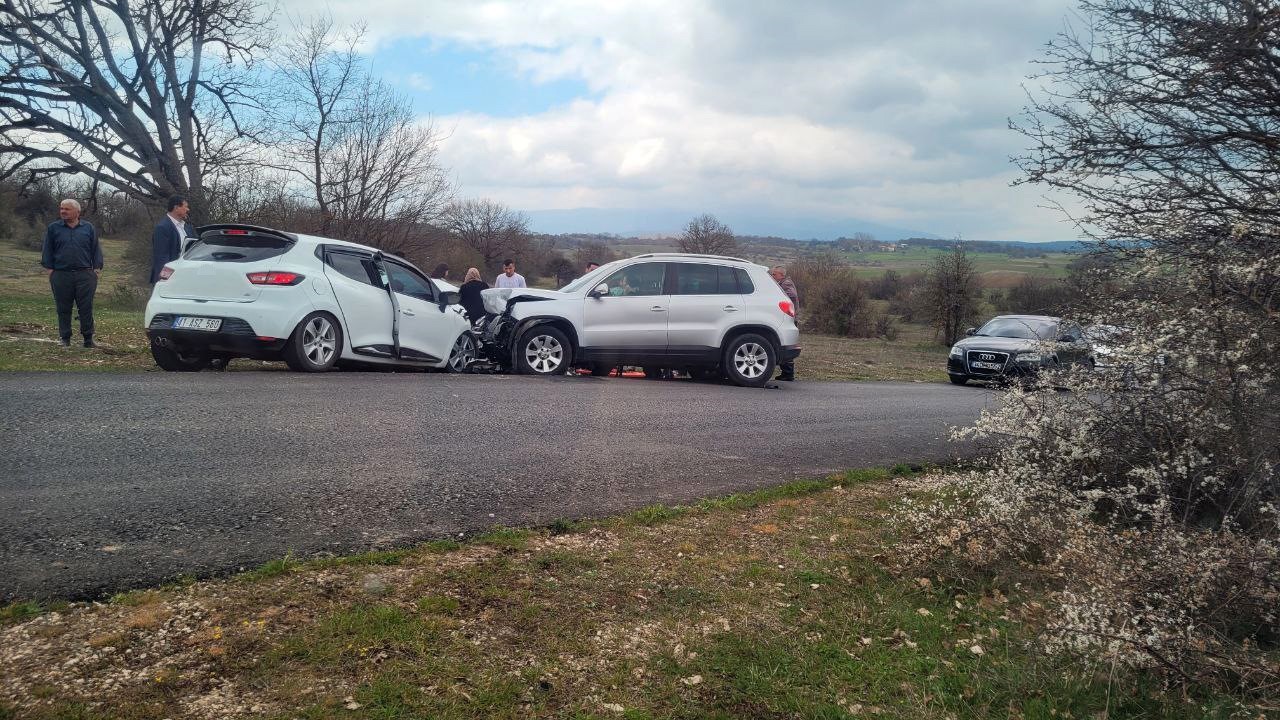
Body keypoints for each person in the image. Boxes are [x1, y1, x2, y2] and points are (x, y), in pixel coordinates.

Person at [41, 199, 103, 348]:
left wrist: (96, 269)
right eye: (61, 208)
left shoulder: (88, 228)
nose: (63, 211)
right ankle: (65, 338)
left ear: (77, 212)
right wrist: (50, 270)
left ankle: (88, 338)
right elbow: (47, 250)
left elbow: (95, 249)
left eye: (67, 209)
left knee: (86, 307)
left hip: (85, 274)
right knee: (63, 307)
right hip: (61, 274)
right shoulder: (53, 228)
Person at [150, 194, 194, 284]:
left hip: (187, 276)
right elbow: (161, 258)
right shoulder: (162, 228)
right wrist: (165, 282)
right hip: (172, 279)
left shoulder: (187, 227)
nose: (188, 209)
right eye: (186, 207)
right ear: (176, 207)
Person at [770, 265, 799, 381]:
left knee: (786, 345)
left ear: (781, 275)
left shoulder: (786, 284)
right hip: (789, 319)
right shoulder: (784, 282)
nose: (773, 276)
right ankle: (787, 373)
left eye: (775, 274)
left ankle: (788, 374)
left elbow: (792, 295)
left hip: (789, 319)